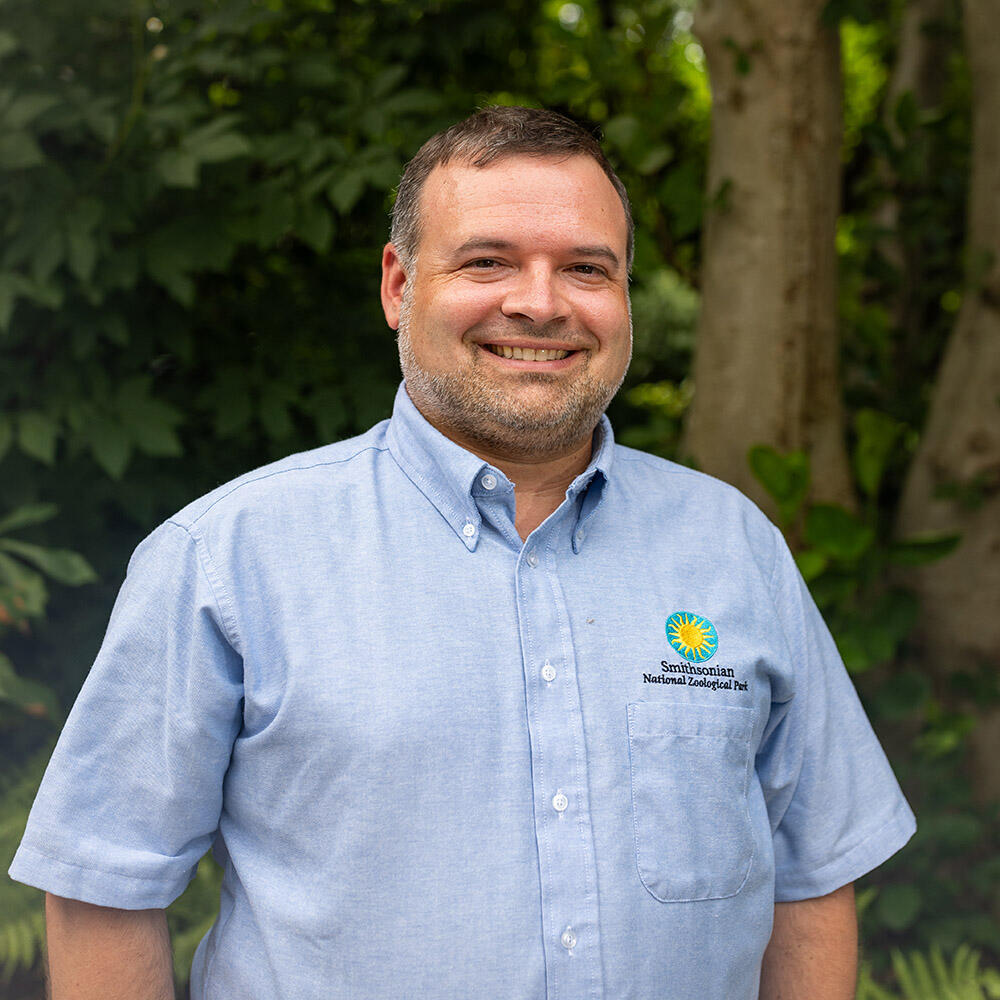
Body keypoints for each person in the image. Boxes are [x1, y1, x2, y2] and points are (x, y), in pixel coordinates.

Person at [10, 106, 914, 1000]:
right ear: (399, 286)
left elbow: (812, 872)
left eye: (587, 269)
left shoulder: (734, 548)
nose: (541, 302)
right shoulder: (226, 560)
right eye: (488, 261)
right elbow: (103, 885)